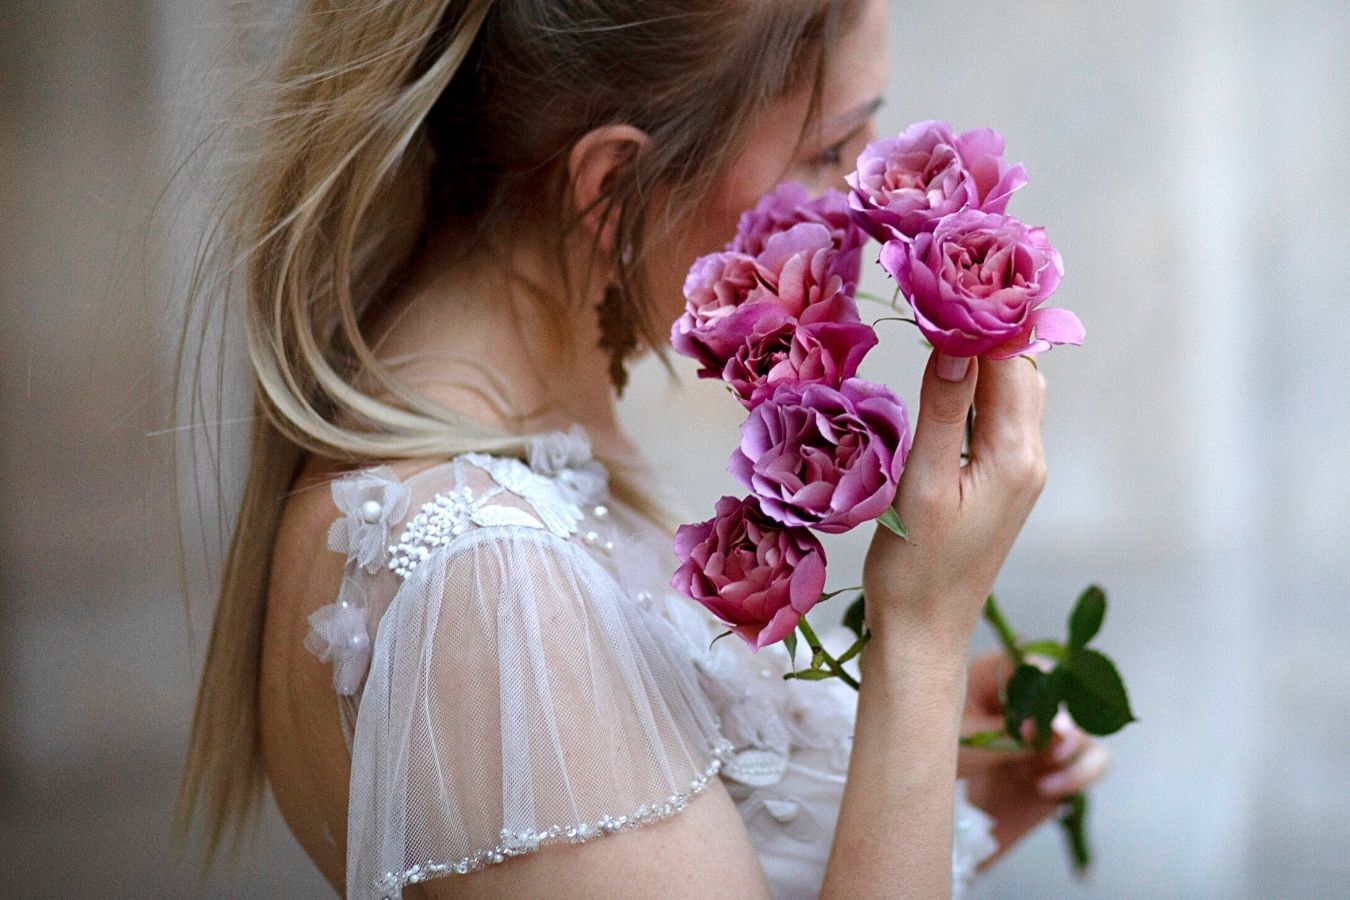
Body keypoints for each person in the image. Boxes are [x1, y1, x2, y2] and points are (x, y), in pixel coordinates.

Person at [173, 0, 1111, 897]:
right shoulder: (487, 588)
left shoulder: (529, 462)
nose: (868, 205)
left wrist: (934, 778)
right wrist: (922, 640)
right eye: (830, 149)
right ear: (616, 186)